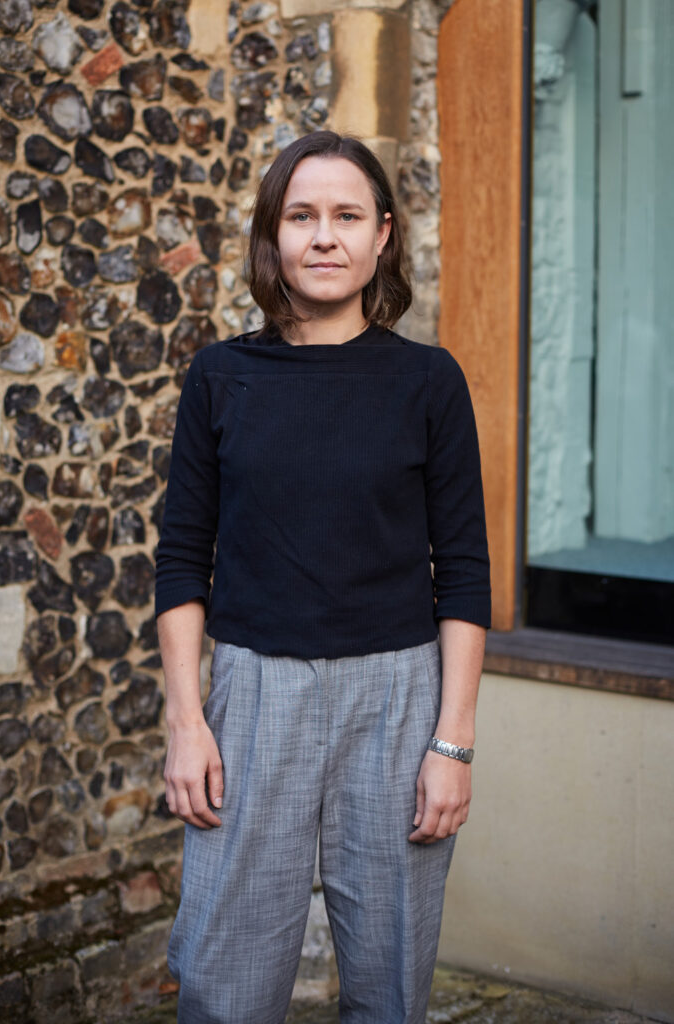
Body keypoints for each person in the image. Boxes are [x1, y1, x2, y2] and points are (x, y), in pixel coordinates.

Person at [155, 130, 491, 1024]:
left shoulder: (428, 381)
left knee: (389, 986)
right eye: (301, 216)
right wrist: (187, 722)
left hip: (397, 699)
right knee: (226, 986)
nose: (324, 236)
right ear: (273, 237)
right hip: (254, 696)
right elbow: (182, 559)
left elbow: (461, 572)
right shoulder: (220, 377)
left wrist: (451, 742)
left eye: (347, 215)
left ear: (382, 235)